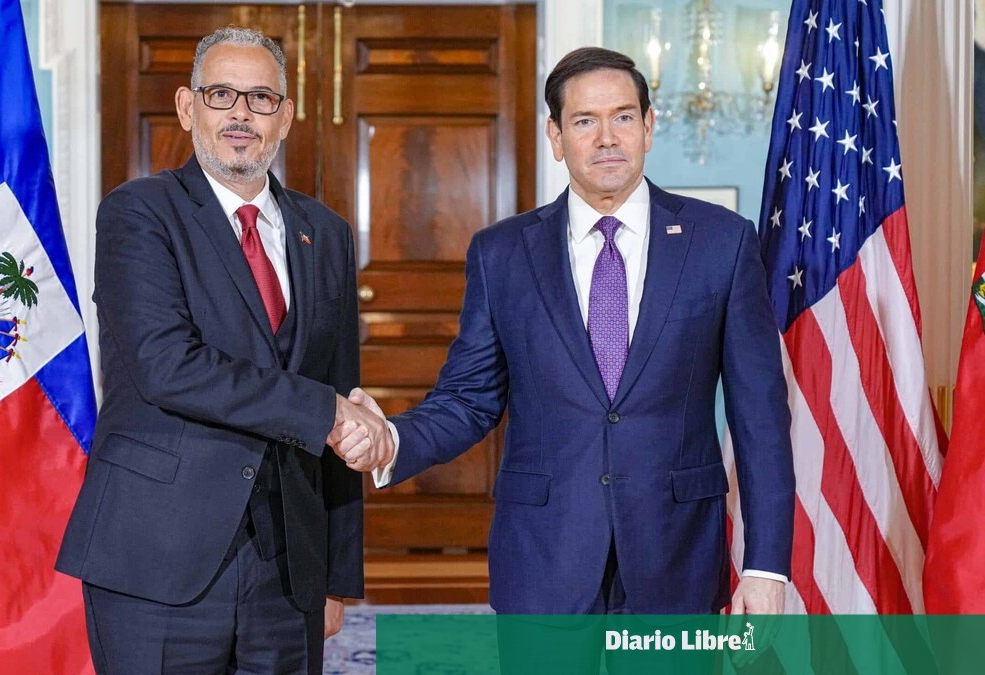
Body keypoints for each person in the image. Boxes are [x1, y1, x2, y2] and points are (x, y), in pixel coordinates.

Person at [339, 47, 795, 617]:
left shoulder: (722, 241)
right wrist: (392, 439)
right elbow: (469, 399)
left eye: (623, 116)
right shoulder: (501, 253)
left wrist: (766, 566)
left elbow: (760, 415)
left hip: (677, 554)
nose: (607, 138)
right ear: (555, 137)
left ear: (649, 127)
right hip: (543, 556)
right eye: (584, 121)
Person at [56, 26, 392, 674]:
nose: (241, 113)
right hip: (157, 559)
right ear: (188, 107)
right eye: (221, 95)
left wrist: (335, 577)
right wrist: (324, 410)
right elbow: (167, 366)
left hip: (288, 571)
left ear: (284, 118)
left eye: (261, 98)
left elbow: (341, 389)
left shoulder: (326, 232)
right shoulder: (138, 213)